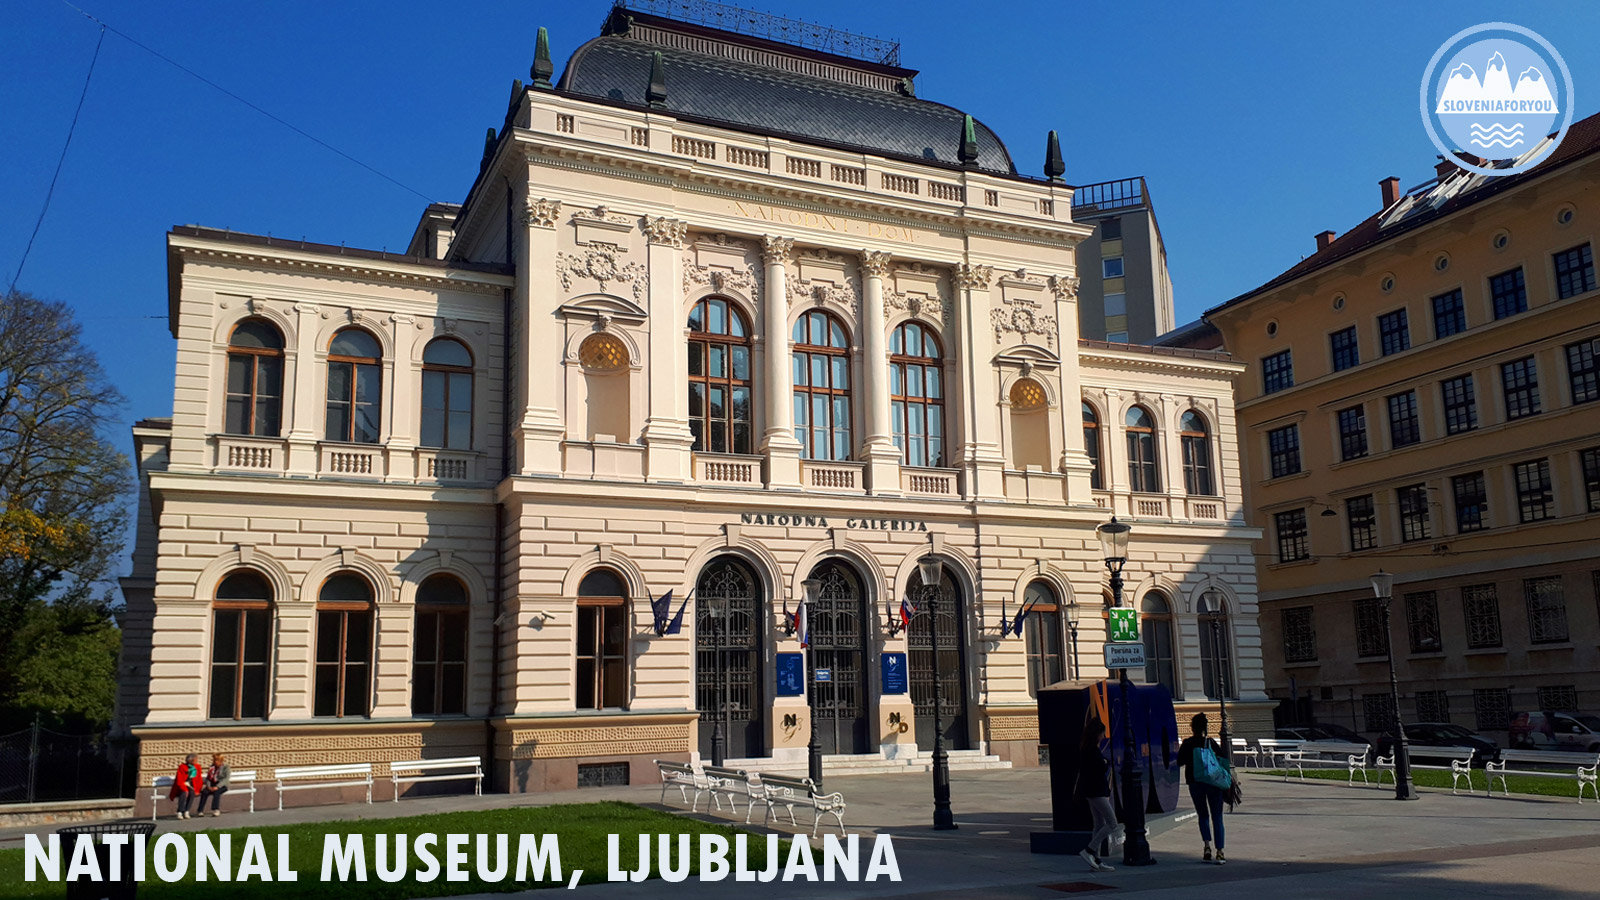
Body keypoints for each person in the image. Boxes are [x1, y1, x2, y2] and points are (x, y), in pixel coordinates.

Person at [1177, 713, 1227, 864]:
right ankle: (1220, 852)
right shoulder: (1210, 743)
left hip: (1195, 782)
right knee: (1217, 817)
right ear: (1206, 727)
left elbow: (1180, 761)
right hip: (1213, 783)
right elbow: (1224, 758)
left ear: (1192, 727)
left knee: (1203, 815)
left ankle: (1206, 847)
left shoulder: (1188, 743)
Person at [1075, 717, 1117, 873]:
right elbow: (1100, 767)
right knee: (1112, 822)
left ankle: (1096, 860)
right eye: (1102, 733)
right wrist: (1105, 763)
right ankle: (1089, 850)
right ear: (1097, 733)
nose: (1103, 736)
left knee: (1098, 824)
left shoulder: (1088, 748)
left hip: (1092, 790)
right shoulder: (1091, 750)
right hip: (1096, 791)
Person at [170, 754, 201, 820]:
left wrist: (197, 790)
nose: (196, 761)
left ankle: (187, 810)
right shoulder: (182, 767)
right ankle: (180, 811)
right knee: (184, 793)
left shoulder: (197, 767)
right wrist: (184, 788)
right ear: (190, 760)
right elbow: (179, 780)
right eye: (195, 760)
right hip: (181, 786)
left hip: (191, 786)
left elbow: (199, 779)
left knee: (192, 793)